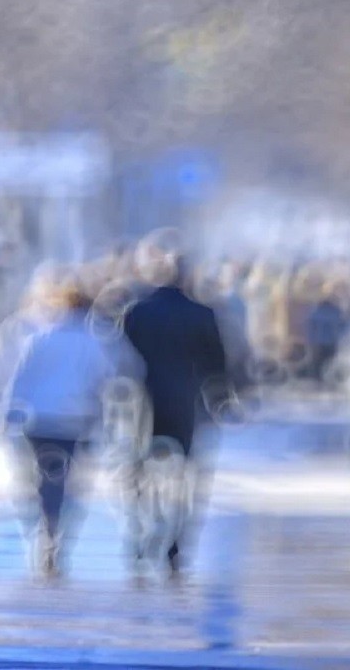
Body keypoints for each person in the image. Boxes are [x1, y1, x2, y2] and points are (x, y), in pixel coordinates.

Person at [0, 268, 143, 581]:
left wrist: (3, 417)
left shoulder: (39, 337)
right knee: (67, 482)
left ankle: (42, 529)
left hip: (37, 420)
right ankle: (58, 536)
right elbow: (115, 374)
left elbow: (20, 378)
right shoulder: (98, 338)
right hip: (75, 420)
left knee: (37, 480)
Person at [121, 243, 229, 581]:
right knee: (185, 477)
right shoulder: (202, 314)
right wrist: (223, 399)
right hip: (185, 402)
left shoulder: (137, 312)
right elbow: (217, 366)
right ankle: (175, 545)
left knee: (138, 473)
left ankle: (142, 533)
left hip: (144, 403)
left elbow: (122, 361)